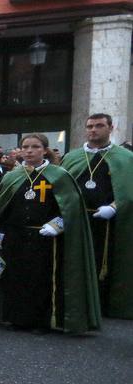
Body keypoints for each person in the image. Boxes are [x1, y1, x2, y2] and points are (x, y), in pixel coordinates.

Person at [0, 133, 100, 334]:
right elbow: (1, 209)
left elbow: (70, 209)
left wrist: (57, 224)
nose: (29, 151)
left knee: (39, 279)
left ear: (44, 150)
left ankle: (39, 321)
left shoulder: (58, 175)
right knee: (14, 277)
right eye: (25, 147)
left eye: (34, 147)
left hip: (44, 238)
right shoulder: (11, 177)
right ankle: (15, 318)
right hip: (14, 236)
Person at [61, 113, 132, 318]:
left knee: (106, 263)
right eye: (90, 126)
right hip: (77, 220)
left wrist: (114, 206)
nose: (93, 130)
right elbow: (61, 188)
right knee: (76, 262)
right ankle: (77, 303)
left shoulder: (126, 158)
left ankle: (104, 305)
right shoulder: (72, 157)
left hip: (110, 223)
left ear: (111, 128)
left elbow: (129, 190)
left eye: (99, 126)